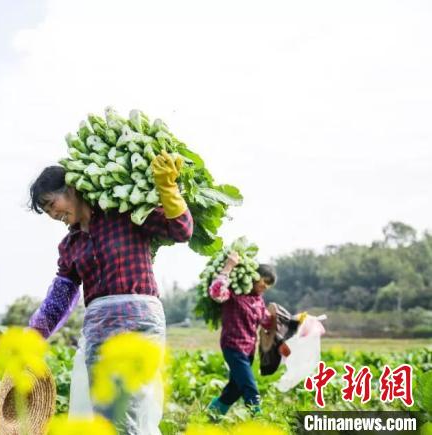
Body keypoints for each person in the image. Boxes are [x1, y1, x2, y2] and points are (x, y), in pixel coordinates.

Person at [27, 151, 193, 434]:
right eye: (47, 212)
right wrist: (32, 336)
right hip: (99, 331)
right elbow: (60, 298)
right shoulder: (70, 245)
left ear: (72, 189)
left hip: (140, 324)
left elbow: (181, 230)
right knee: (105, 415)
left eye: (52, 204)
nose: (53, 215)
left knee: (133, 410)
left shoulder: (124, 214)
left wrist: (168, 187)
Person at [206, 252, 277, 417]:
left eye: (269, 284)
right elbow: (216, 293)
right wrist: (229, 266)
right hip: (233, 347)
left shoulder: (258, 301)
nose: (266, 286)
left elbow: (267, 322)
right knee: (249, 387)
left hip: (249, 351)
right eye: (265, 281)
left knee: (235, 389)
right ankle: (258, 420)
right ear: (254, 276)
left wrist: (295, 321)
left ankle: (211, 415)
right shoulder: (234, 293)